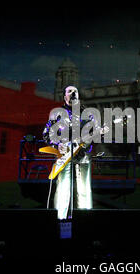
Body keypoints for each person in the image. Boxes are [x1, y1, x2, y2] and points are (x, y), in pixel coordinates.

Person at [43, 86, 101, 220]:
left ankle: (85, 220)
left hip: (83, 154)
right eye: (69, 91)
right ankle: (59, 220)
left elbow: (96, 134)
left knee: (84, 189)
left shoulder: (88, 114)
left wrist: (100, 133)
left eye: (75, 91)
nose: (73, 93)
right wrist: (57, 145)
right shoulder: (57, 114)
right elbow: (47, 133)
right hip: (64, 154)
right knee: (63, 188)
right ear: (65, 97)